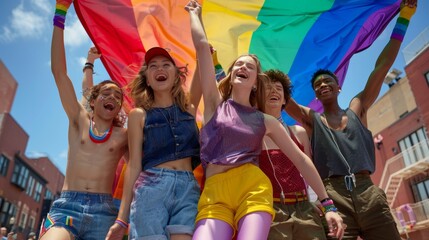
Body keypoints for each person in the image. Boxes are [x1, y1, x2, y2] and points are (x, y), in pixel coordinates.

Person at [186, 1, 344, 239]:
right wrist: (195, 14)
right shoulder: (214, 103)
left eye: (249, 66)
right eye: (238, 64)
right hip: (214, 192)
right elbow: (201, 47)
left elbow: (300, 159)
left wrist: (328, 204)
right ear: (230, 74)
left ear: (255, 82)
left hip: (253, 189)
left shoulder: (265, 121)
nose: (242, 66)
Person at [284, 1, 417, 239]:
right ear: (315, 94)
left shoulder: (358, 108)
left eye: (328, 81)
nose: (323, 84)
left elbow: (382, 66)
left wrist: (404, 18)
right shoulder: (312, 119)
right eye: (318, 85)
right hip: (334, 198)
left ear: (338, 87)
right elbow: (280, 96)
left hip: (368, 193)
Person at [40, 1, 128, 239]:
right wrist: (60, 13)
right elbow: (59, 73)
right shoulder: (78, 120)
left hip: (105, 213)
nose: (112, 97)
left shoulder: (124, 135)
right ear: (93, 100)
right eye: (106, 93)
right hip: (67, 208)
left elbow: (138, 168)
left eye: (118, 96)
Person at [105, 46, 202, 240]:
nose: (160, 69)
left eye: (166, 65)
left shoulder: (189, 110)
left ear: (176, 76)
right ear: (147, 79)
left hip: (187, 188)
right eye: (153, 66)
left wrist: (204, 52)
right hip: (151, 187)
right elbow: (133, 165)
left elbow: (203, 74)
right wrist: (121, 220)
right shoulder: (138, 115)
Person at [260, 69, 328, 239]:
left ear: (285, 99)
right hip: (272, 211)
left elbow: (308, 171)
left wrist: (324, 204)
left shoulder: (299, 132)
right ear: (258, 96)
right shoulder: (252, 133)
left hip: (305, 208)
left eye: (278, 88)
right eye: (267, 88)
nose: (274, 91)